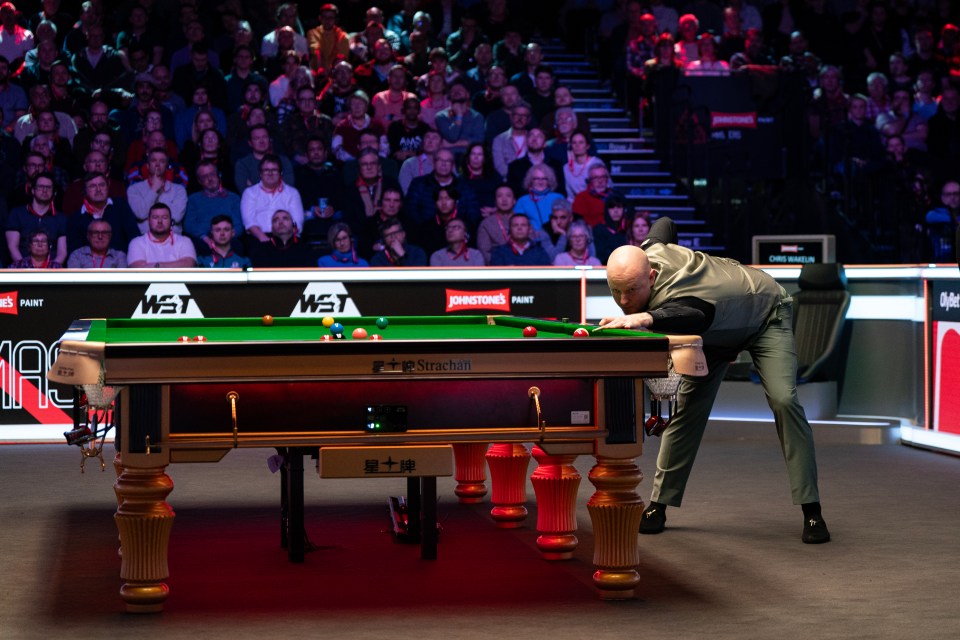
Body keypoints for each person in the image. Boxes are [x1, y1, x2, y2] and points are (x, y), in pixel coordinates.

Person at [599, 216, 830, 544]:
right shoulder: (651, 249)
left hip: (764, 314)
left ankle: (812, 510)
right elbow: (665, 223)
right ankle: (658, 506)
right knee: (686, 409)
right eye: (616, 291)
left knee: (783, 399)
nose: (623, 301)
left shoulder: (685, 299)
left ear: (651, 276)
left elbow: (695, 315)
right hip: (716, 333)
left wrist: (645, 316)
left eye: (632, 291)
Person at [240, 154, 305, 244]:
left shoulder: (292, 193)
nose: (270, 173)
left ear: (280, 173)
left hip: (287, 237)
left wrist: (285, 239)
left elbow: (297, 221)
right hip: (258, 238)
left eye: (274, 170)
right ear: (260, 173)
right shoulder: (250, 193)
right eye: (266, 170)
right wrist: (263, 238)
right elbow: (249, 222)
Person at [184, 159, 244, 255]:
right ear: (199, 181)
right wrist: (204, 236)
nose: (210, 179)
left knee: (238, 246)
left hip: (228, 239)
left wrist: (223, 236)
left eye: (212, 174)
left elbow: (238, 225)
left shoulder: (233, 198)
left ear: (219, 175)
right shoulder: (193, 199)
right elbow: (189, 225)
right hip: (203, 240)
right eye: (204, 176)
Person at [5, 172, 66, 265]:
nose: (45, 190)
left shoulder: (60, 218)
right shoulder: (17, 214)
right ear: (33, 190)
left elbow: (62, 253)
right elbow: (13, 247)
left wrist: (51, 271)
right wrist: (26, 269)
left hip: (51, 271)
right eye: (41, 187)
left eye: (49, 187)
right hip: (21, 269)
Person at [126, 148, 189, 235]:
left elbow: (176, 217)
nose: (157, 164)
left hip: (172, 239)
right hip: (145, 239)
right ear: (147, 165)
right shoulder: (134, 189)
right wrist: (154, 190)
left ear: (166, 167)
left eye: (162, 161)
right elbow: (140, 213)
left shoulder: (179, 190)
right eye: (153, 160)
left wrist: (147, 218)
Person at [126, 203, 196, 268]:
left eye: (164, 217)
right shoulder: (136, 242)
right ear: (149, 221)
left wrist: (157, 266)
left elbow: (189, 264)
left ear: (171, 221)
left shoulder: (184, 241)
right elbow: (138, 269)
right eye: (155, 217)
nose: (160, 221)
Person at [925, 180, 959, 263]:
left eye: (956, 194)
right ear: (942, 197)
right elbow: (929, 217)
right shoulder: (934, 214)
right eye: (948, 194)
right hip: (940, 262)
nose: (952, 198)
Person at [593, 194, 629, 264]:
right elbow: (601, 255)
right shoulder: (599, 230)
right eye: (611, 207)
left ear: (624, 209)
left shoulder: (628, 230)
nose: (615, 211)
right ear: (607, 210)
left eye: (619, 207)